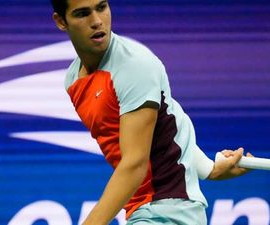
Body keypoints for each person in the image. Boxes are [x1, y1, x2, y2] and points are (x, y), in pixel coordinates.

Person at [51, 0, 252, 224]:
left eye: (102, 7)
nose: (97, 21)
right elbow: (165, 127)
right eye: (82, 13)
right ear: (61, 21)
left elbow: (135, 164)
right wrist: (210, 169)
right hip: (142, 211)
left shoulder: (134, 66)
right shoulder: (73, 80)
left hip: (169, 209)